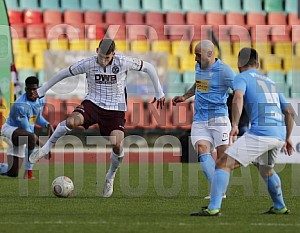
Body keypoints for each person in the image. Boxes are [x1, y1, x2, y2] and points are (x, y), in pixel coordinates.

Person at [28, 38, 166, 197]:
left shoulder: (123, 62)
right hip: (92, 103)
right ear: (96, 51)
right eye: (101, 56)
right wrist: (41, 90)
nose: (103, 60)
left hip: (115, 109)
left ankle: (110, 176)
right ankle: (45, 149)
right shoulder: (88, 63)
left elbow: (149, 67)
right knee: (72, 121)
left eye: (107, 58)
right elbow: (63, 73)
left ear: (113, 54)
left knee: (117, 144)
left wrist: (159, 93)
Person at [191, 47, 294, 216]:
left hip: (261, 133)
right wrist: (288, 137)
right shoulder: (271, 82)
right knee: (266, 170)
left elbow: (238, 97)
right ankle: (279, 206)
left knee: (223, 164)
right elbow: (289, 112)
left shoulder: (242, 78)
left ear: (239, 63)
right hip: (278, 134)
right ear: (258, 64)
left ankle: (213, 208)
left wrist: (235, 124)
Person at [172, 40, 235, 197]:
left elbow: (240, 91)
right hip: (200, 119)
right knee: (202, 150)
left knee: (223, 157)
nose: (195, 59)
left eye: (198, 55)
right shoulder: (199, 67)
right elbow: (199, 84)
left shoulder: (225, 71)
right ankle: (218, 190)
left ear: (209, 54)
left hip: (219, 118)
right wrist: (185, 96)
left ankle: (251, 159)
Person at [0, 76, 54, 179]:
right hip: (10, 130)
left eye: (34, 89)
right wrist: (43, 147)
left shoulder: (41, 99)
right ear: (25, 89)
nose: (31, 91)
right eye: (29, 89)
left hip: (23, 134)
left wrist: (47, 124)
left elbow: (36, 118)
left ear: (38, 89)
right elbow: (28, 131)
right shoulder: (21, 105)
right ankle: (28, 174)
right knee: (31, 138)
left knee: (13, 173)